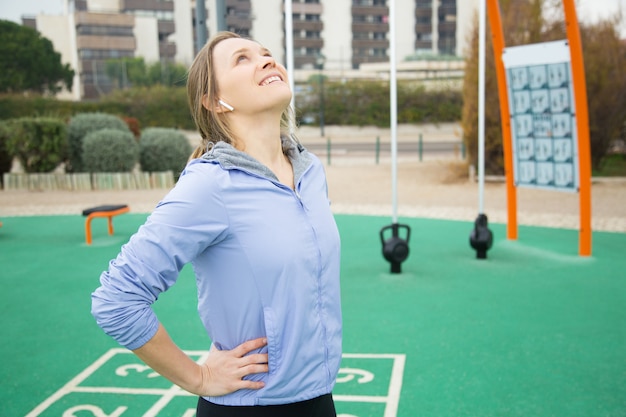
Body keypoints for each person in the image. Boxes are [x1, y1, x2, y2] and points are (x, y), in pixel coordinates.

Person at [91, 31, 342, 416]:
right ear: (214, 101)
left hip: (319, 399)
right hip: (251, 406)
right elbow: (116, 299)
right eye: (242, 59)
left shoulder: (310, 171)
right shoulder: (210, 185)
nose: (266, 60)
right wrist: (199, 378)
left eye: (267, 54)